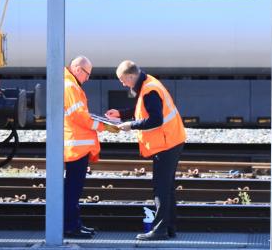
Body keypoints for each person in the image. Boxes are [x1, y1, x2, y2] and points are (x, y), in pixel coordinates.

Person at [106, 60, 186, 240]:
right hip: (171, 139)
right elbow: (142, 110)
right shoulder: (147, 83)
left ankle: (159, 230)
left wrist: (131, 126)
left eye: (122, 79)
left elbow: (155, 119)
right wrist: (121, 113)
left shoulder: (149, 90)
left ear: (131, 76)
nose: (122, 83)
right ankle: (169, 228)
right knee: (167, 188)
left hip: (167, 142)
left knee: (161, 188)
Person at [63, 56, 118, 239]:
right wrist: (104, 126)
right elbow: (79, 117)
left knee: (74, 189)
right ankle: (70, 227)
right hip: (76, 147)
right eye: (87, 74)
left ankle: (75, 224)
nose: (88, 78)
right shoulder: (70, 86)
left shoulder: (71, 85)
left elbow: (80, 115)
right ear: (78, 69)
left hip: (78, 146)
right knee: (73, 189)